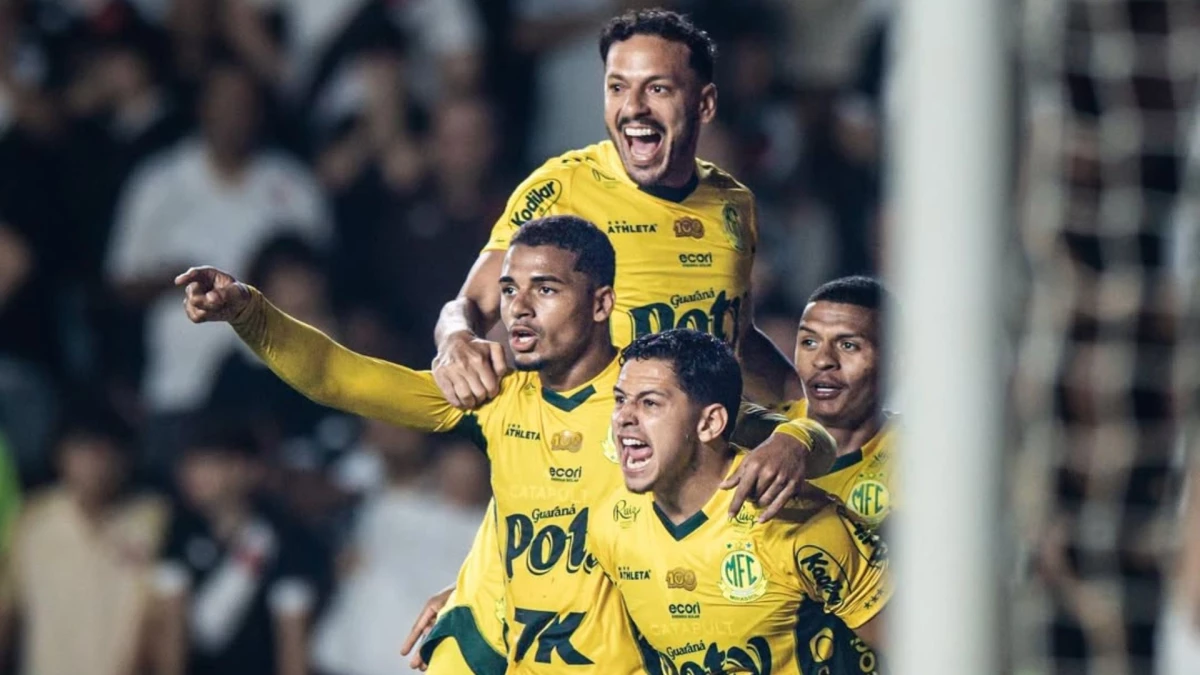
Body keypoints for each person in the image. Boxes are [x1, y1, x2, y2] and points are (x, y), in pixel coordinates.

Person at [174, 215, 830, 674]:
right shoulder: (496, 397)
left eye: (545, 290)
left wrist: (800, 439)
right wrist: (248, 312)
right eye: (510, 289)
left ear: (601, 303)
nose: (518, 308)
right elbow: (337, 376)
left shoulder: (654, 400)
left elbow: (808, 435)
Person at [424, 10, 807, 671]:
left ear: (704, 103)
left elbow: (733, 340)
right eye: (617, 87)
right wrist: (455, 340)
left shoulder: (732, 206)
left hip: (688, 508)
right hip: (580, 502)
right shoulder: (563, 187)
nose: (634, 108)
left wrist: (810, 415)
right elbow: (469, 306)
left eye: (657, 88)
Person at [589, 329, 889, 675]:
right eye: (620, 400)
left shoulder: (795, 520)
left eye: (650, 403)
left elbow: (917, 647)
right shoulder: (612, 525)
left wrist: (798, 437)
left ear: (710, 423)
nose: (623, 417)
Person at [774, 276, 896, 528]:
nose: (822, 360)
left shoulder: (923, 463)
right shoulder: (754, 432)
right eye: (809, 342)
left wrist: (826, 510)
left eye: (848, 345)